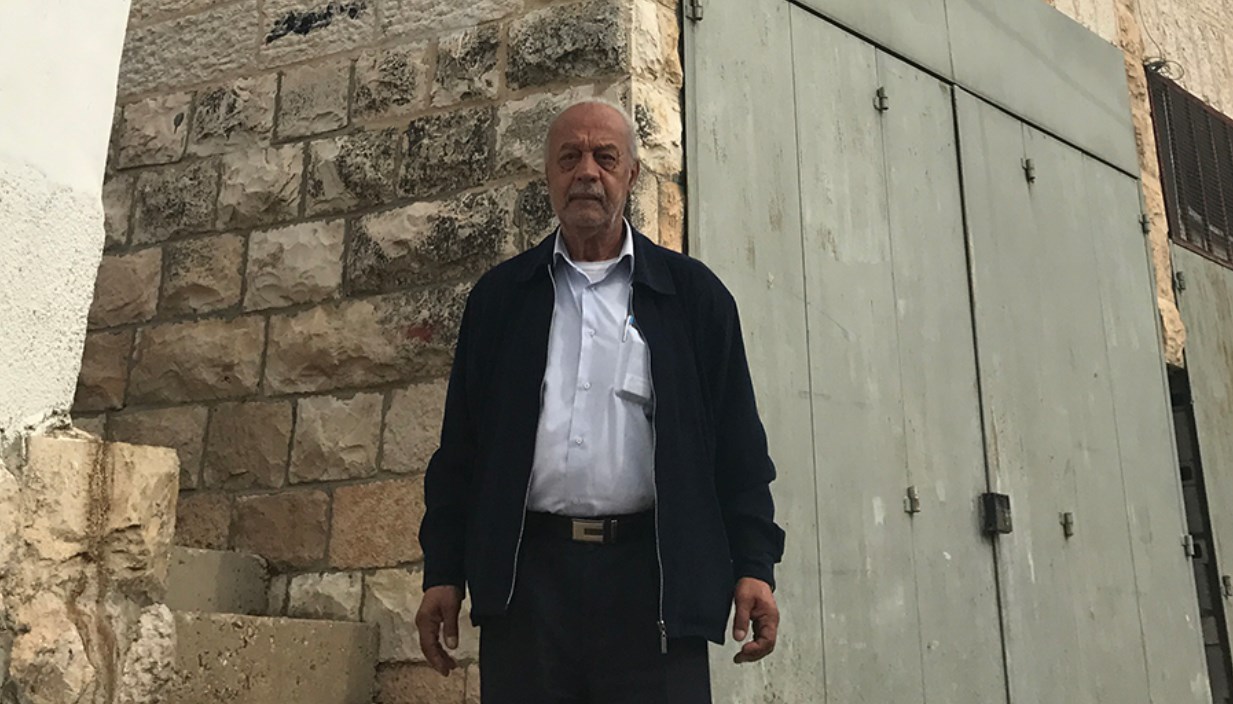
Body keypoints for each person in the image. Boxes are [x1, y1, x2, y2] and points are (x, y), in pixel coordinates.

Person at [415, 98, 786, 703]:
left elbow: (739, 447)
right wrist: (444, 571)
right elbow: (461, 452)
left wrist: (755, 565)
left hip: (653, 585)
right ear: (549, 176)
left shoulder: (692, 299)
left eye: (605, 157)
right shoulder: (501, 300)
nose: (587, 171)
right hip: (527, 587)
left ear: (631, 175)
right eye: (570, 157)